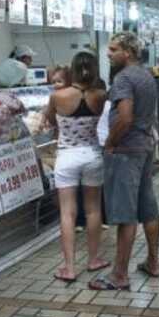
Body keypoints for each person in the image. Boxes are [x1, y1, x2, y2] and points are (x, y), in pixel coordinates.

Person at [90, 32, 159, 290]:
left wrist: (110, 143)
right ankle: (153, 262)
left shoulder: (123, 78)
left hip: (125, 152)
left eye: (113, 49)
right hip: (144, 148)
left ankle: (119, 275)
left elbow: (126, 117)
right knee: (148, 208)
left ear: (127, 52)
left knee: (125, 214)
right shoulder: (146, 75)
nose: (108, 53)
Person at [45, 52, 109, 282]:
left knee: (68, 213)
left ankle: (69, 268)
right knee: (93, 210)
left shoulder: (57, 96)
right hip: (92, 155)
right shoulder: (101, 95)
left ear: (72, 69)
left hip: (67, 157)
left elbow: (50, 121)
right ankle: (93, 259)